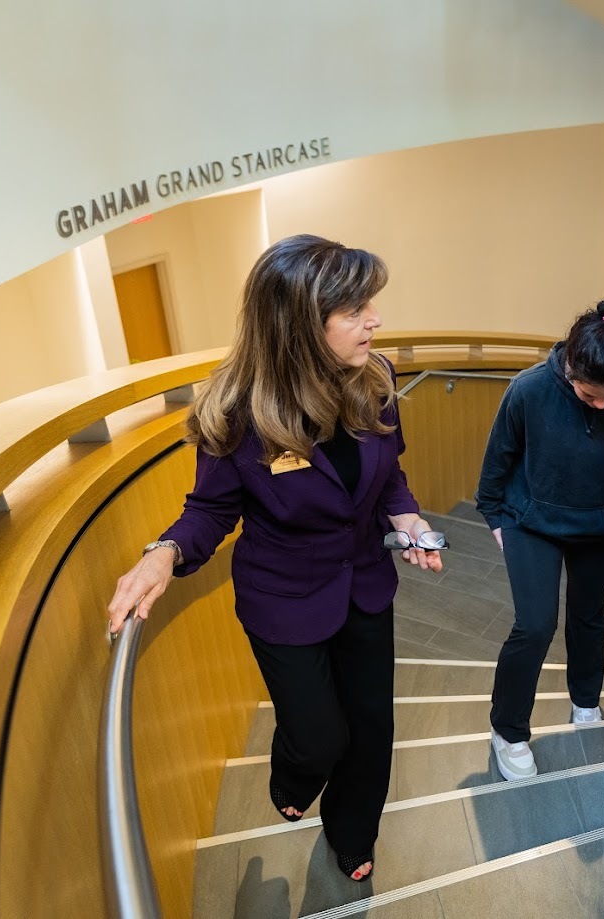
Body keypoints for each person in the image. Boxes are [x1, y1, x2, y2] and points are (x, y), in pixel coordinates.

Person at [106, 234, 444, 883]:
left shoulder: (376, 380)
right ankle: (293, 769)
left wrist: (407, 518)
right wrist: (163, 553)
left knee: (370, 727)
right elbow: (209, 511)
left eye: (369, 303)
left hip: (365, 584)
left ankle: (351, 833)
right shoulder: (238, 410)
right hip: (283, 596)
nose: (374, 319)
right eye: (354, 310)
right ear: (299, 325)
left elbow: (389, 472)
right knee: (319, 738)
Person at [476, 297, 604, 781]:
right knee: (536, 625)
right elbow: (497, 462)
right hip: (528, 522)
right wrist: (497, 520)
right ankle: (508, 730)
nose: (602, 406)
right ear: (569, 369)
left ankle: (586, 703)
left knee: (588, 615)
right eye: (590, 398)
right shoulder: (529, 390)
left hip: (599, 527)